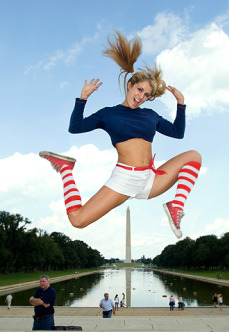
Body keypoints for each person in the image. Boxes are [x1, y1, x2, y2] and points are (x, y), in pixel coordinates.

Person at [39, 31, 201, 240]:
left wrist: (181, 104)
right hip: (125, 178)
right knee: (77, 220)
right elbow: (75, 127)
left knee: (194, 156)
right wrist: (82, 99)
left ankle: (176, 205)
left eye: (146, 95)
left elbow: (178, 133)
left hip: (150, 178)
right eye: (139, 89)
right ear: (130, 85)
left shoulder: (150, 115)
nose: (141, 96)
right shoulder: (109, 114)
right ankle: (65, 169)